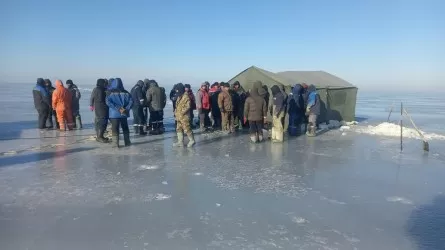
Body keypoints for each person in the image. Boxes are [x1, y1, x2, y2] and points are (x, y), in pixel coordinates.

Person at [106, 78, 133, 147]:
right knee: (125, 127)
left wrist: (118, 108)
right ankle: (127, 142)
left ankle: (115, 144)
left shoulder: (110, 92)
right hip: (124, 113)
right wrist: (126, 109)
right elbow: (131, 101)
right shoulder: (126, 92)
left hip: (114, 114)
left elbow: (108, 102)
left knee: (115, 128)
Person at [173, 83, 195, 147]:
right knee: (178, 129)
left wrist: (181, 113)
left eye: (178, 91)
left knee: (187, 129)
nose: (177, 92)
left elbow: (187, 106)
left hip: (184, 117)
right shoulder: (179, 96)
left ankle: (192, 140)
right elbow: (177, 106)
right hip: (179, 117)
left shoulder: (186, 96)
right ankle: (180, 142)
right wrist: (176, 112)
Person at [90, 79, 110, 143]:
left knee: (99, 121)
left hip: (98, 108)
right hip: (102, 108)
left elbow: (92, 97)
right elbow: (104, 100)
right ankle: (100, 137)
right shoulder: (102, 90)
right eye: (104, 83)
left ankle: (100, 136)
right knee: (103, 122)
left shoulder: (95, 89)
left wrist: (91, 105)